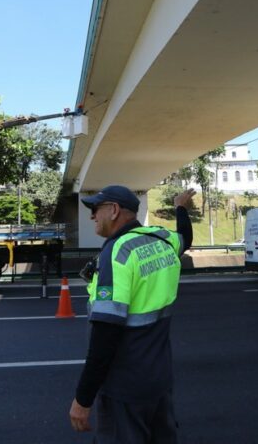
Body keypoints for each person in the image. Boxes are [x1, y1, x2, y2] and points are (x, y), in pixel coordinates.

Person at [69, 184, 195, 443]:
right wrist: (180, 207)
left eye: (95, 209)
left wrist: (83, 399)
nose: (92, 216)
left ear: (114, 210)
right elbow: (185, 237)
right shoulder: (161, 239)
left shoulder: (118, 253)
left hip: (125, 388)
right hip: (159, 380)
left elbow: (105, 335)